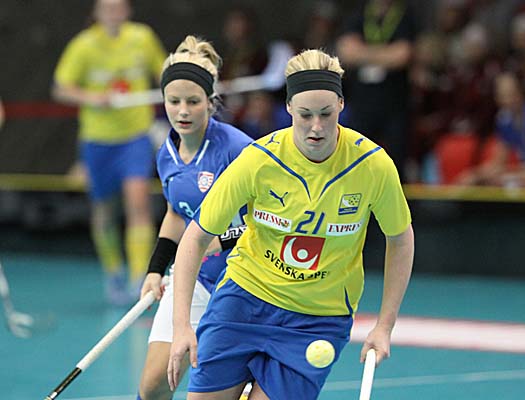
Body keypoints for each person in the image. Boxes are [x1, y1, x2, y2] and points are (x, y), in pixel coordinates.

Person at [167, 49, 415, 400]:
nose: (316, 127)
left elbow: (400, 239)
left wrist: (384, 325)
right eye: (305, 115)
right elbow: (195, 238)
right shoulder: (259, 160)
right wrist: (181, 326)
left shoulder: (373, 166)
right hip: (244, 301)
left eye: (326, 113)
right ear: (288, 108)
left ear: (341, 104)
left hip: (318, 318)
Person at [136, 36, 253, 400]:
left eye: (193, 101)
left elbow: (270, 220)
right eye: (174, 101)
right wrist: (156, 269)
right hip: (196, 278)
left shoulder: (238, 150)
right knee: (153, 385)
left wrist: (220, 240)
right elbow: (176, 213)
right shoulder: (166, 153)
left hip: (244, 283)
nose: (182, 111)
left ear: (211, 101)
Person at [51, 0, 166, 305]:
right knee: (104, 211)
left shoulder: (142, 37)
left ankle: (139, 279)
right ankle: (113, 272)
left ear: (127, 11)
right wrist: (94, 98)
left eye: (118, 8)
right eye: (107, 8)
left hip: (135, 137)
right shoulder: (84, 45)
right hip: (98, 140)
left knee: (138, 202)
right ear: (97, 13)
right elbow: (61, 88)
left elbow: (164, 73)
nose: (114, 14)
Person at [336, 0, 416, 179]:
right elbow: (346, 52)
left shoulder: (404, 15)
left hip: (395, 103)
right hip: (362, 102)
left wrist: (362, 52)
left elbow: (402, 55)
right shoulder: (359, 14)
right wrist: (386, 53)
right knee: (356, 157)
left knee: (396, 161)